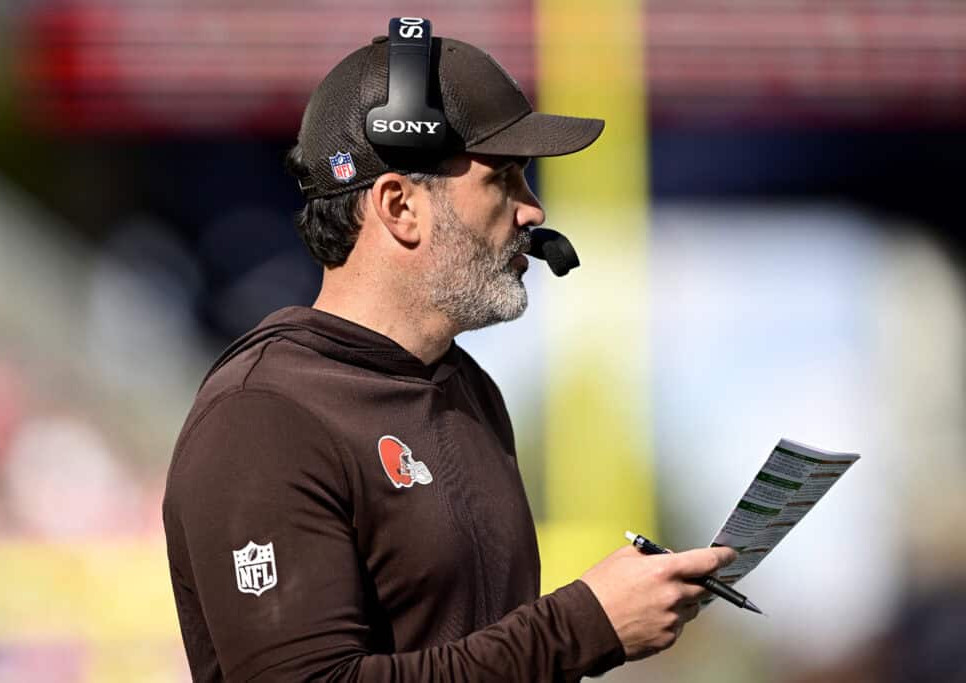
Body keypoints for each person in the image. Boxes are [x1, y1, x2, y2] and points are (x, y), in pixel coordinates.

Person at [162, 21, 736, 682]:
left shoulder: (468, 389)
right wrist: (583, 626)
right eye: (506, 179)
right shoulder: (262, 414)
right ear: (400, 205)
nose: (532, 211)